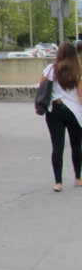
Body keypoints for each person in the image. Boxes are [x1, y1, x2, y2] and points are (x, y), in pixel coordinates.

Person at [40, 42, 82, 191]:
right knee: (76, 146)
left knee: (57, 147)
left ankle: (58, 182)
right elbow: (81, 95)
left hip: (54, 110)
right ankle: (77, 178)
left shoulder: (51, 69)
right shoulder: (78, 71)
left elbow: (42, 88)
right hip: (74, 112)